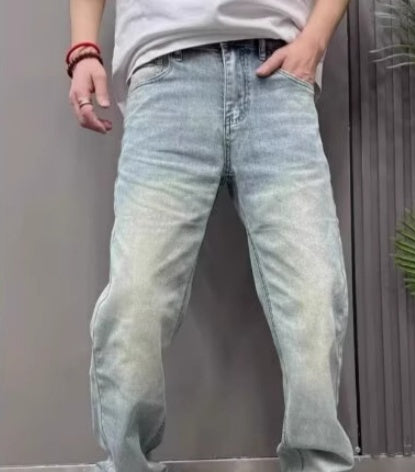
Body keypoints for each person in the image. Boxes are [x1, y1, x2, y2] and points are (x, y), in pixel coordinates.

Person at [66, 0, 353, 471]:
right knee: (136, 300)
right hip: (166, 76)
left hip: (277, 75)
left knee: (314, 295)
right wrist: (83, 49)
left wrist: (315, 40)